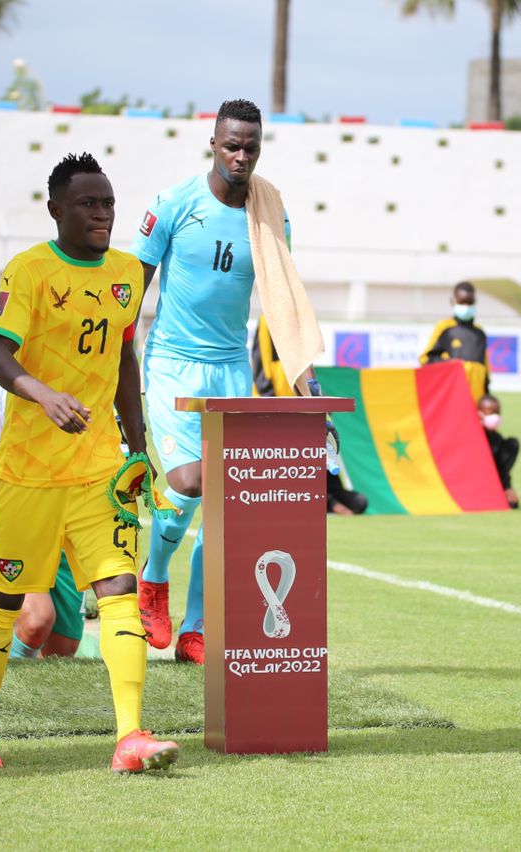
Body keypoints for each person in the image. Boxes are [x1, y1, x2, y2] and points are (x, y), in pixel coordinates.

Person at [0, 152, 177, 774]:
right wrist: (44, 395)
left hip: (99, 471)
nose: (102, 214)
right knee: (5, 600)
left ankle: (130, 735)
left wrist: (138, 447)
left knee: (119, 590)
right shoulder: (29, 270)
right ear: (56, 209)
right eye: (88, 204)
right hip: (28, 475)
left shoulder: (127, 275)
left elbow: (124, 360)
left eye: (108, 203)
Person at [130, 98, 320, 665]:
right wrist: (117, 371)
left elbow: (284, 304)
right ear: (213, 143)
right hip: (171, 363)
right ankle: (153, 578)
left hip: (231, 367)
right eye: (232, 145)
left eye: (251, 148)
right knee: (189, 481)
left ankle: (196, 627)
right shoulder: (173, 204)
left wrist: (308, 385)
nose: (241, 157)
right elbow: (132, 291)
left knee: (227, 503)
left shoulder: (270, 214)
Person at [0, 379, 107, 659]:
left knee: (62, 649)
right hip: (18, 520)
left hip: (73, 527)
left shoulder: (95, 375)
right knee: (37, 620)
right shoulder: (6, 381)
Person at [252, 316, 365, 516]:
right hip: (277, 407)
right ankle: (325, 500)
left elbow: (308, 371)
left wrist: (318, 402)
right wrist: (272, 405)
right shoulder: (269, 318)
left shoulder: (299, 323)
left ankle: (328, 497)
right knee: (291, 461)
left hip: (301, 405)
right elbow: (262, 368)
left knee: (359, 501)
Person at [420, 281, 490, 401]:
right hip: (453, 392)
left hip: (477, 394)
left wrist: (487, 392)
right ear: (453, 302)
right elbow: (426, 358)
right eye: (462, 302)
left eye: (469, 303)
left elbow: (485, 367)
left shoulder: (480, 333)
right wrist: (451, 364)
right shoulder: (445, 327)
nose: (466, 307)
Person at [477, 394, 520, 509]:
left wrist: (507, 487)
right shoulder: (473, 439)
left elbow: (502, 468)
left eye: (497, 412)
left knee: (512, 443)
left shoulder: (497, 439)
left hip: (496, 481)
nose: (495, 416)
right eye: (491, 412)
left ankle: (501, 489)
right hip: (478, 481)